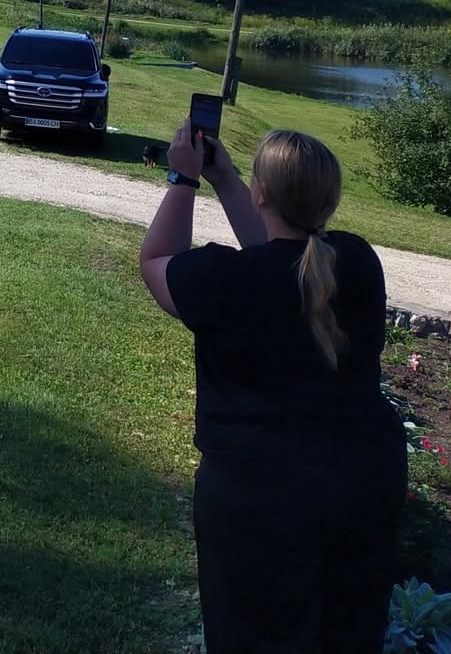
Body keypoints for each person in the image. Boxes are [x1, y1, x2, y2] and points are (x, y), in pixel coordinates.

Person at [140, 126, 403, 654]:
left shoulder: (224, 279)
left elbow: (155, 262)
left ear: (261, 193)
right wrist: (227, 179)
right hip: (362, 484)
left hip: (256, 497)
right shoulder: (356, 262)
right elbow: (286, 254)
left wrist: (183, 178)